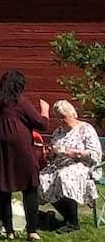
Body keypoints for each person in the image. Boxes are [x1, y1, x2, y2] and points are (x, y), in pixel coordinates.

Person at [0, 68, 45, 242]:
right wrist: (45, 111)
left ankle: (9, 231)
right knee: (30, 187)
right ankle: (32, 231)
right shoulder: (19, 101)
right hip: (20, 148)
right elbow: (41, 124)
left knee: (4, 188)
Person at [39, 99, 101, 234]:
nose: (61, 120)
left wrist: (73, 153)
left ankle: (73, 222)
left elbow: (95, 154)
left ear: (72, 114)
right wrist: (50, 154)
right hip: (59, 164)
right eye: (58, 118)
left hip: (83, 165)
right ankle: (67, 217)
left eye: (63, 117)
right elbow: (53, 153)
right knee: (41, 179)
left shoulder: (86, 129)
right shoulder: (58, 132)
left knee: (65, 176)